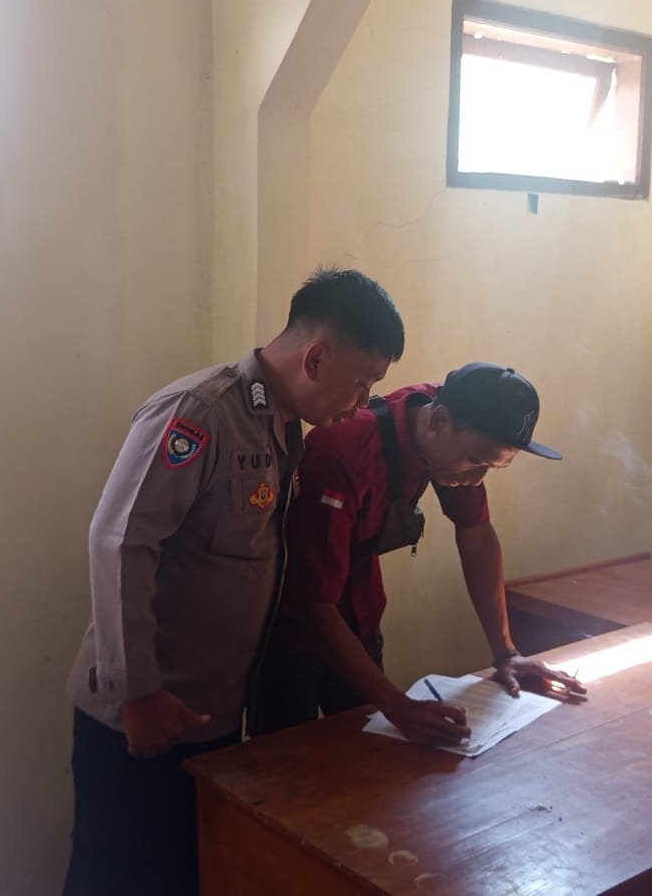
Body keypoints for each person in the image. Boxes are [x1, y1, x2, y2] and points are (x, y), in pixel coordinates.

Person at [62, 268, 405, 895]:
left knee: (187, 877)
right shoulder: (202, 412)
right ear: (316, 357)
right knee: (114, 879)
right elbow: (119, 541)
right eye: (362, 383)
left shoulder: (283, 428)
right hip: (141, 717)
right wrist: (138, 693)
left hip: (211, 716)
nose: (362, 403)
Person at [250, 363, 584, 746]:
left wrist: (506, 653)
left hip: (360, 618)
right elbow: (311, 601)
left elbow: (475, 532)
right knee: (286, 759)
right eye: (475, 460)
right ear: (438, 420)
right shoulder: (342, 451)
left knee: (371, 758)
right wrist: (398, 706)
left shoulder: (448, 427)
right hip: (290, 633)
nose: (476, 479)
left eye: (491, 467)